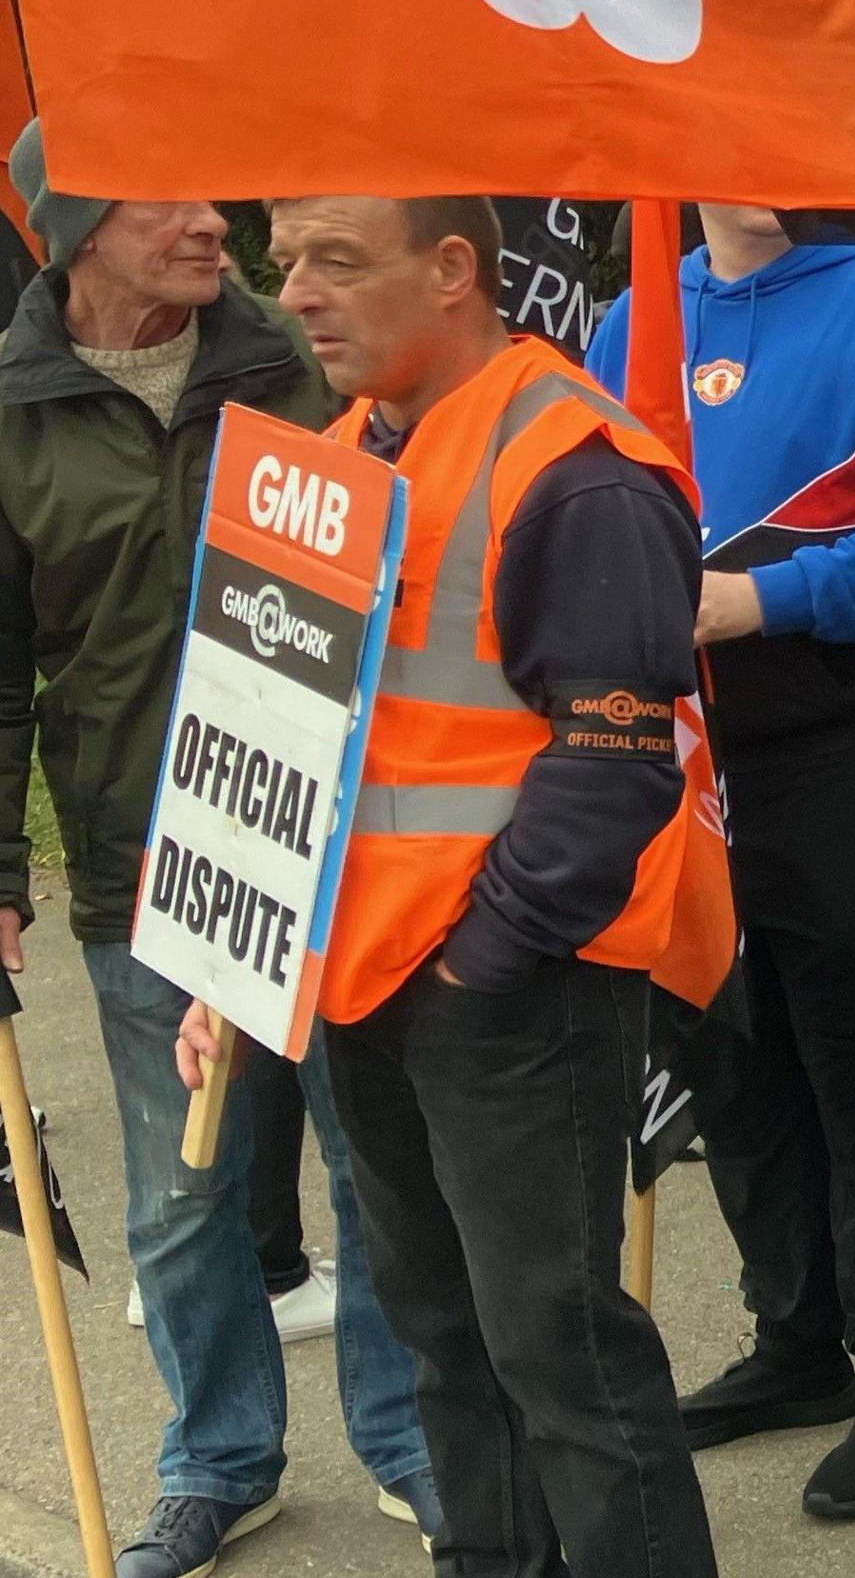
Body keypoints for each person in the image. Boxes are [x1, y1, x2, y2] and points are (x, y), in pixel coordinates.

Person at [207, 194, 724, 1578]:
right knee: (442, 1338)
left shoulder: (578, 464)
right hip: (370, 983)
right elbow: (271, 742)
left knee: (560, 1353)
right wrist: (232, 959)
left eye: (336, 260)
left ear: (453, 271)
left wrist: (485, 960)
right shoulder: (328, 464)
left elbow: (616, 764)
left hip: (511, 992)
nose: (297, 293)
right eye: (284, 264)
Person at [0, 128, 434, 1577]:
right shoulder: (10, 407)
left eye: (211, 189)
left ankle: (411, 1437)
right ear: (76, 233)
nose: (213, 220)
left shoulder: (301, 358)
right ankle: (218, 1460)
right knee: (181, 1198)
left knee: (382, 1172)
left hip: (335, 849)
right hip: (142, 867)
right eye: (167, 200)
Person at [588, 207, 855, 1519]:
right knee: (734, 1061)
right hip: (683, 767)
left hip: (847, 755)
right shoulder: (629, 319)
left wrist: (756, 600)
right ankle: (797, 1341)